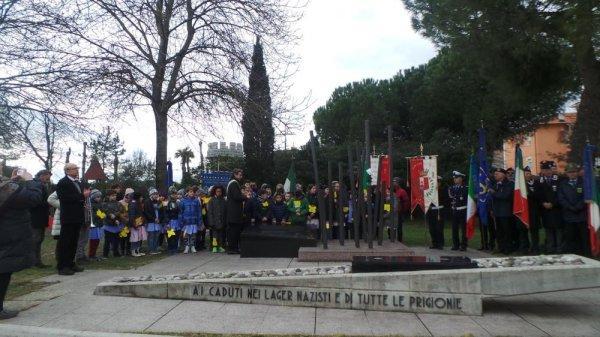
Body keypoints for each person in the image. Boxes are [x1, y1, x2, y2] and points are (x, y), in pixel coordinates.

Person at [0, 170, 43, 319]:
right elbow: (33, 199)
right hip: (8, 235)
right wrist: (31, 180)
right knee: (3, 270)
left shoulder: (8, 186)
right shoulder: (7, 188)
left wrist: (12, 181)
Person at [55, 163, 89, 275]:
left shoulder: (78, 183)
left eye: (77, 169)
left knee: (74, 241)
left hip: (77, 216)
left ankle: (70, 263)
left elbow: (78, 198)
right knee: (66, 242)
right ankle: (62, 266)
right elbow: (64, 198)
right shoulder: (63, 183)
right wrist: (82, 196)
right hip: (68, 217)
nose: (77, 170)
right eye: (75, 169)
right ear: (67, 171)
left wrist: (83, 201)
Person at [557, 163, 588, 255]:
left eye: (574, 172)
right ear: (566, 173)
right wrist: (570, 207)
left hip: (581, 215)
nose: (572, 174)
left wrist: (579, 206)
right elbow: (561, 198)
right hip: (569, 216)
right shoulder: (562, 184)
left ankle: (585, 254)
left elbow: (586, 196)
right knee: (570, 237)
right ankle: (572, 255)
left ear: (577, 172)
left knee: (583, 237)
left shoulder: (583, 182)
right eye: (570, 172)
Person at [539, 160, 563, 253]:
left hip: (557, 209)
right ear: (542, 171)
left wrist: (553, 204)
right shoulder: (540, 181)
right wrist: (543, 203)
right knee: (548, 230)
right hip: (546, 211)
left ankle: (559, 249)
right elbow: (538, 195)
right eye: (545, 170)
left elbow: (560, 194)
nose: (548, 172)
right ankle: (550, 249)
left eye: (549, 170)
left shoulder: (559, 179)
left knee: (558, 230)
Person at [30, 169, 52, 268]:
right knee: (35, 240)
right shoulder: (35, 185)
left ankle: (37, 261)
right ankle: (33, 262)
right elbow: (34, 201)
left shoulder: (44, 185)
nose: (49, 178)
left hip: (42, 217)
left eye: (50, 176)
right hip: (35, 217)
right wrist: (48, 203)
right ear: (41, 176)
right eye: (47, 176)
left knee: (39, 239)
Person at [490, 168, 514, 255]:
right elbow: (491, 199)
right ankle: (501, 247)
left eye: (497, 174)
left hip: (506, 212)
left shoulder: (509, 184)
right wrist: (491, 209)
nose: (495, 175)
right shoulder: (495, 184)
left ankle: (508, 248)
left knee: (506, 231)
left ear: (503, 175)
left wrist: (494, 193)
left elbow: (505, 196)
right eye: (495, 174)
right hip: (497, 211)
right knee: (499, 231)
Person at [226, 168, 245, 254]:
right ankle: (232, 249)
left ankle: (233, 248)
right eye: (240, 175)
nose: (241, 177)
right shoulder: (234, 183)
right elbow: (236, 196)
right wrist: (245, 197)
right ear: (235, 174)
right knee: (234, 231)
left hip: (233, 212)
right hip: (234, 213)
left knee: (234, 231)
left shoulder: (232, 183)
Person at [524, 166, 543, 254]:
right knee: (524, 231)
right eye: (526, 174)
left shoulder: (537, 183)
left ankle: (535, 247)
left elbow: (539, 195)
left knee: (534, 230)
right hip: (525, 210)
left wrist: (530, 193)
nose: (528, 175)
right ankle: (526, 247)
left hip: (534, 211)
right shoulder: (522, 186)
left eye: (529, 173)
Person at [449, 171, 468, 251]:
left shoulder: (465, 188)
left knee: (464, 229)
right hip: (455, 210)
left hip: (463, 210)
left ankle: (463, 245)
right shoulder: (452, 188)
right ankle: (455, 245)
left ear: (461, 178)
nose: (455, 180)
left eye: (456, 178)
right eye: (454, 178)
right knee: (454, 228)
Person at [179, 187, 202, 254]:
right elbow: (181, 211)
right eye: (190, 192)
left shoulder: (196, 200)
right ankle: (186, 246)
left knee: (193, 234)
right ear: (187, 193)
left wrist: (199, 221)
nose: (192, 193)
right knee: (186, 234)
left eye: (193, 192)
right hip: (186, 221)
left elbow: (199, 211)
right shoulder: (183, 201)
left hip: (194, 220)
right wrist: (181, 220)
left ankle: (192, 246)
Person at [102, 190, 123, 258]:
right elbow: (105, 212)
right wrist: (110, 215)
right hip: (108, 225)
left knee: (116, 240)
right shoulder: (104, 204)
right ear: (108, 196)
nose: (114, 197)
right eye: (112, 195)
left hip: (116, 225)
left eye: (115, 195)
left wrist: (116, 216)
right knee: (107, 241)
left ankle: (116, 253)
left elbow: (120, 211)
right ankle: (105, 254)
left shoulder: (118, 203)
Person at [427, 177, 446, 250]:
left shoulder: (442, 190)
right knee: (432, 228)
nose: (436, 184)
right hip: (431, 211)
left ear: (440, 183)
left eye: (437, 182)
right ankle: (434, 243)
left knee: (439, 228)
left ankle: (440, 244)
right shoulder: (430, 191)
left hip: (439, 211)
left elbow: (445, 200)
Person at [207, 186, 227, 253]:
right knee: (215, 236)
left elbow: (225, 211)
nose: (219, 193)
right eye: (218, 191)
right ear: (214, 192)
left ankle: (220, 246)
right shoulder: (211, 200)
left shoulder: (223, 200)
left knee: (221, 235)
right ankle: (214, 247)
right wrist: (211, 222)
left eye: (220, 191)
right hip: (214, 222)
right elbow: (210, 212)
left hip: (222, 221)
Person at [128, 192, 148, 257]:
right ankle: (133, 251)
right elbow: (132, 215)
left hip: (140, 223)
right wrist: (134, 224)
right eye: (141, 197)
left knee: (139, 237)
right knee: (134, 238)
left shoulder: (138, 203)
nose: (142, 198)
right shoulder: (133, 204)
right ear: (138, 197)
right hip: (135, 224)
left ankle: (138, 251)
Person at [88, 189, 105, 261]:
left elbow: (102, 211)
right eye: (97, 197)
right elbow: (91, 214)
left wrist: (103, 215)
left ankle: (94, 254)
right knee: (93, 240)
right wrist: (98, 215)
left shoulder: (99, 204)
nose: (99, 198)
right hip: (94, 225)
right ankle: (91, 255)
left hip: (99, 224)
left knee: (97, 240)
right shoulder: (91, 204)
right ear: (93, 197)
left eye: (99, 197)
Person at [165, 190, 181, 254]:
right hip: (170, 222)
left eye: (175, 194)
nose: (174, 195)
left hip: (177, 221)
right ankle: (170, 249)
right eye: (173, 194)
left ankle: (175, 248)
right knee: (170, 236)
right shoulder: (167, 203)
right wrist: (167, 222)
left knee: (176, 236)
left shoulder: (178, 202)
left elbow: (180, 212)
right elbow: (165, 213)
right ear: (170, 195)